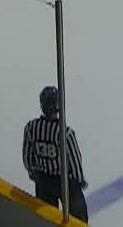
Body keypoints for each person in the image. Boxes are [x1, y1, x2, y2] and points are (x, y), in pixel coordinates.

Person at [22, 86, 88, 222]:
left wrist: (34, 173)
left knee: (47, 219)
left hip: (43, 181)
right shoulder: (65, 133)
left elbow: (27, 157)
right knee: (78, 219)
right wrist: (79, 181)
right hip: (65, 182)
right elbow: (75, 161)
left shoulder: (31, 128)